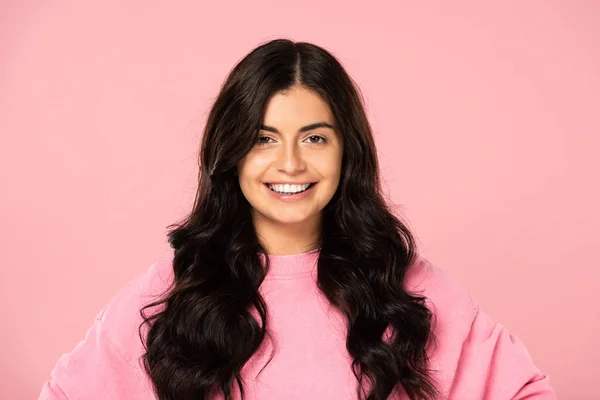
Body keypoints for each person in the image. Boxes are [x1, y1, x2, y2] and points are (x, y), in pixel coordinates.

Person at [38, 39, 557, 400]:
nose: (290, 163)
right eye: (264, 139)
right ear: (232, 153)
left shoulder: (403, 287)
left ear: (345, 152)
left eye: (314, 138)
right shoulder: (176, 290)